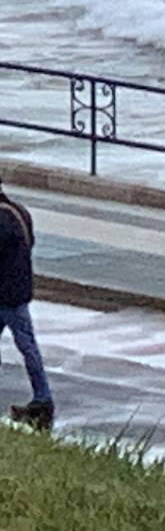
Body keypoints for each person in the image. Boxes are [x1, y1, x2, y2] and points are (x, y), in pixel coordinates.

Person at [0, 181, 54, 430]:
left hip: (6, 295)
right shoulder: (19, 212)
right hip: (19, 289)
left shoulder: (2, 220)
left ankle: (43, 399)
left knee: (27, 346)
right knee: (27, 345)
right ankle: (42, 399)